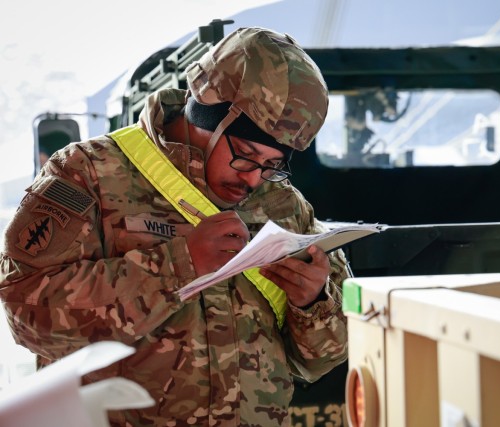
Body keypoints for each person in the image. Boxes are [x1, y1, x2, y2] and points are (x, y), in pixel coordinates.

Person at [0, 27, 349, 426]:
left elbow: (324, 358)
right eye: (247, 155)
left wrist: (314, 303)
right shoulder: (89, 174)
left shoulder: (283, 204)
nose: (254, 179)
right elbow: (26, 311)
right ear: (207, 116)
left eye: (272, 164)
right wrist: (175, 266)